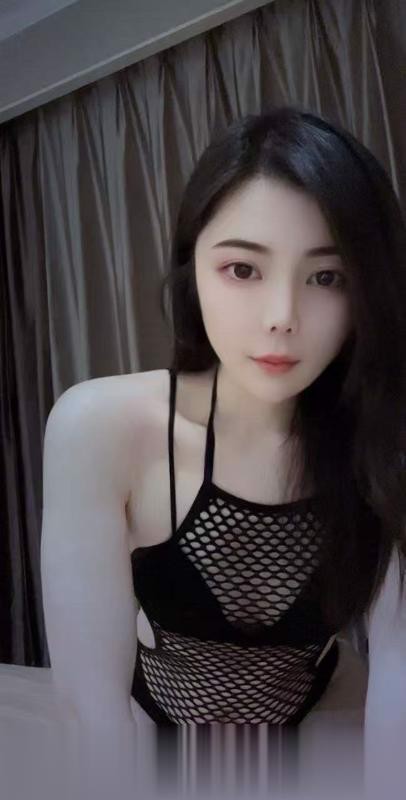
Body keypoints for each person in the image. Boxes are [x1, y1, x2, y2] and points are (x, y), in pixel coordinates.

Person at [4, 105, 406, 797]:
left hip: (324, 718)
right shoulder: (101, 426)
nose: (281, 316)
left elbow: (399, 672)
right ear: (193, 266)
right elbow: (92, 708)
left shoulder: (383, 436)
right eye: (243, 269)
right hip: (153, 726)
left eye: (327, 277)